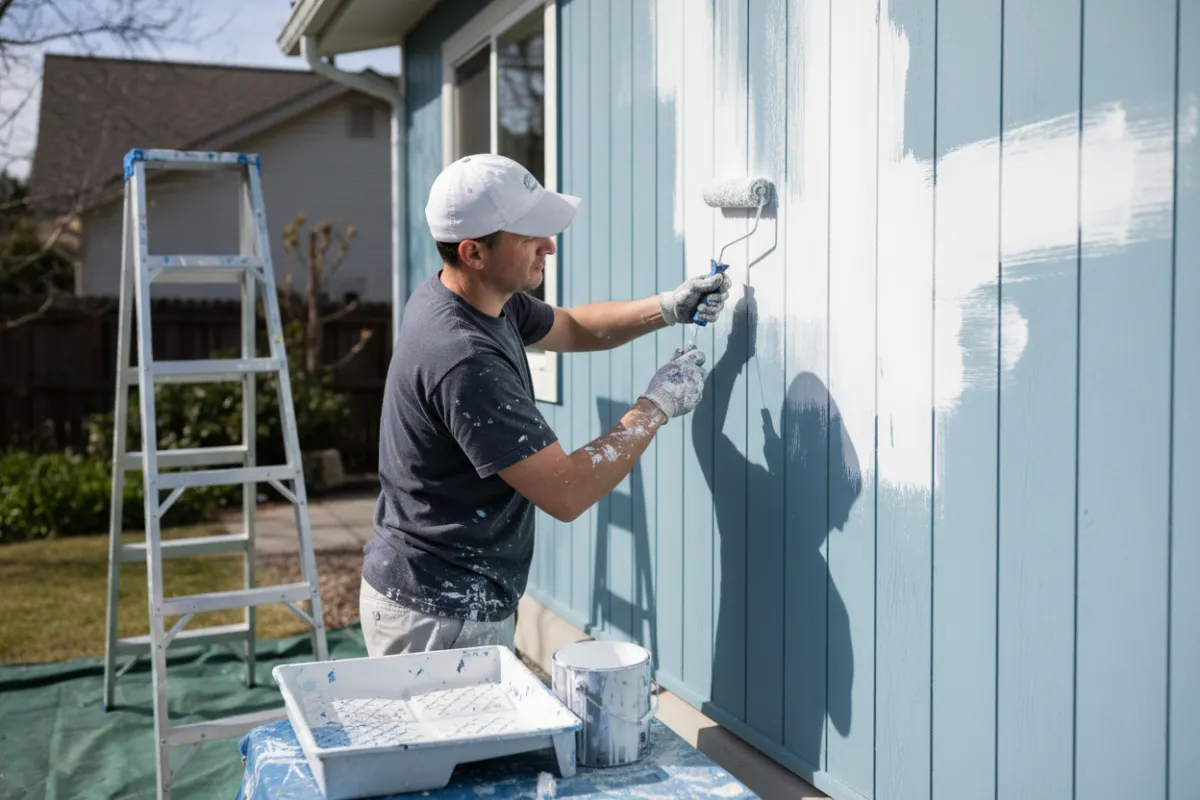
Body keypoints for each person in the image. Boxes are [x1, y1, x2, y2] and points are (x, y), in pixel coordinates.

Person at [359, 153, 731, 656]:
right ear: (473, 252)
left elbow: (573, 326)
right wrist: (657, 405)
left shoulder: (482, 298)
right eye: (530, 236)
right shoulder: (464, 358)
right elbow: (567, 491)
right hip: (437, 613)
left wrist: (667, 307)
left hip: (452, 593)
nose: (550, 247)